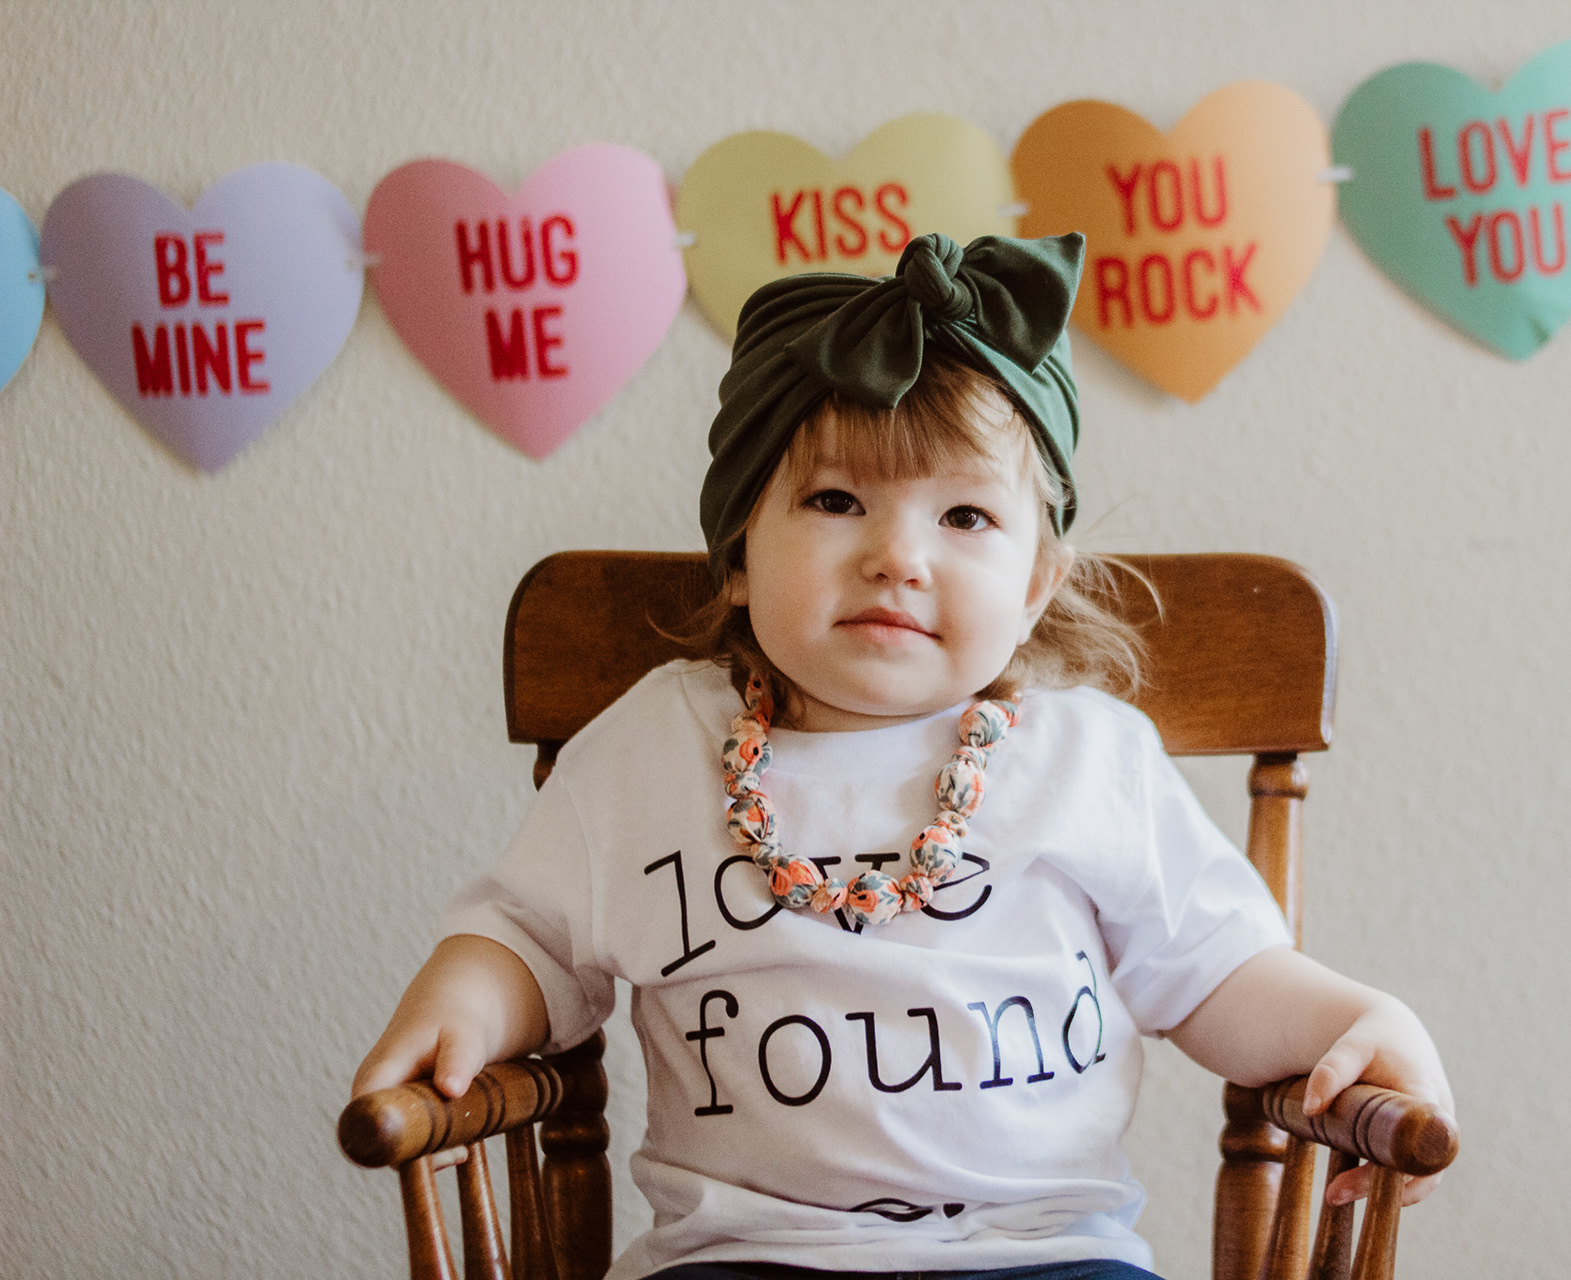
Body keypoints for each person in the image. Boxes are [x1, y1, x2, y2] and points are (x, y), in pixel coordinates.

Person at [353, 232, 1452, 1280]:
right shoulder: (652, 747)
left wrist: (1356, 1021)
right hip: (741, 1255)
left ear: (1035, 585)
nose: (898, 556)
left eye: (966, 516)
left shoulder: (1086, 758)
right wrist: (467, 1002)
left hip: (1041, 1252)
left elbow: (1219, 972)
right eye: (837, 500)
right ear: (738, 552)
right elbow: (531, 935)